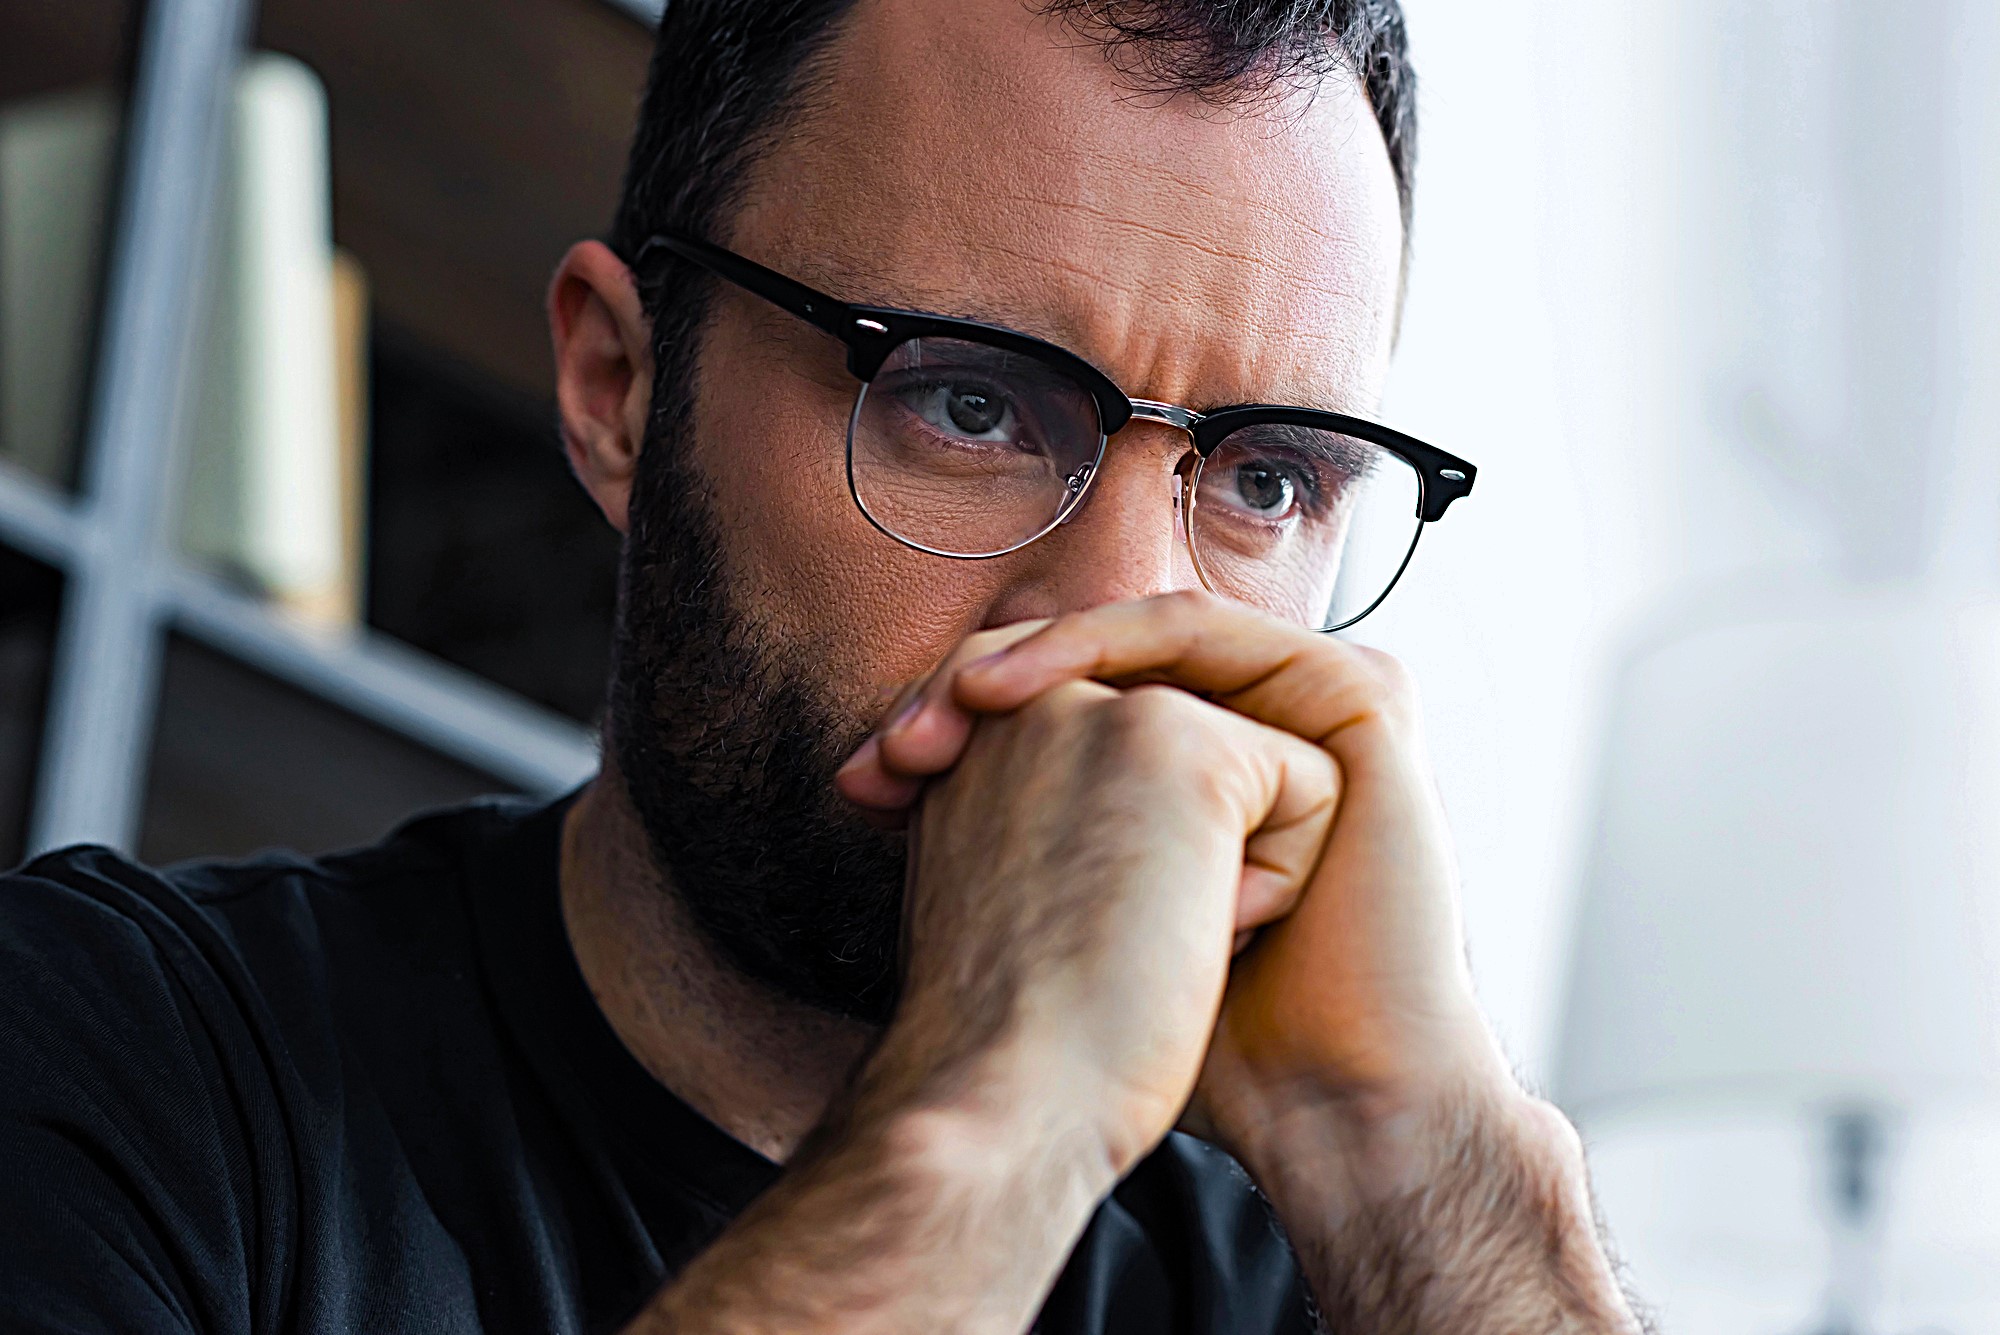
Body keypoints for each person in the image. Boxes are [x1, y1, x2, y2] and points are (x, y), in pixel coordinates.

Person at [0, 1, 1650, 1331]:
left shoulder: (1332, 1272)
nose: (1114, 621)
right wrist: (997, 1125)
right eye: (972, 403)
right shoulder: (109, 1071)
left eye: (1267, 480)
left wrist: (1436, 1169)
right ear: (620, 388)